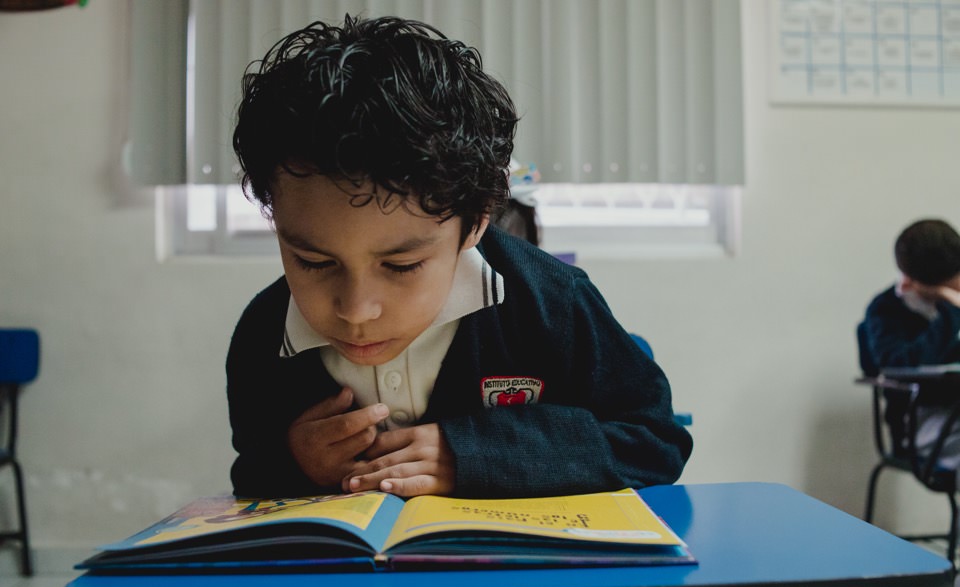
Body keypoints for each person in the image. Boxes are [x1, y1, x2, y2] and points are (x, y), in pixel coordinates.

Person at [227, 14, 692, 499]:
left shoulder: (551, 304)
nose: (356, 310)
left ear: (473, 224)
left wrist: (479, 455)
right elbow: (250, 474)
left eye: (401, 266)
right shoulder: (263, 335)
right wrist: (293, 460)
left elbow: (654, 441)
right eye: (313, 262)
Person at [863, 218, 960, 466]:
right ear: (911, 282)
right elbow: (903, 367)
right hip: (920, 421)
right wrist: (952, 311)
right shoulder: (886, 311)